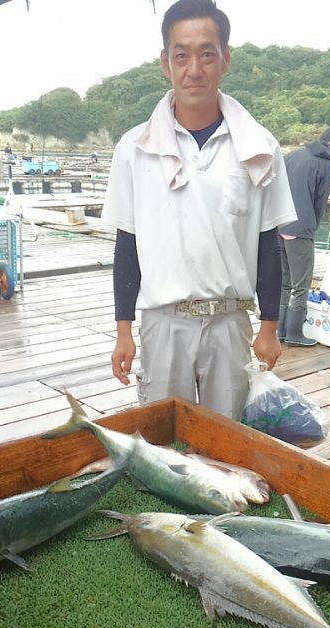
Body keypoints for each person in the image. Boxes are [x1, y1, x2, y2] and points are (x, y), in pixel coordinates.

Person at [101, 0, 296, 420]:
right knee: (162, 439)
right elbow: (127, 246)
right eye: (182, 55)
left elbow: (269, 243)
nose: (195, 69)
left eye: (207, 53)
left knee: (228, 441)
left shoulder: (259, 147)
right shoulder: (134, 148)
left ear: (225, 58)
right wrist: (122, 332)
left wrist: (270, 328)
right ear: (165, 63)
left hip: (230, 322)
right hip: (162, 321)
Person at [277, 126, 330, 346]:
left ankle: (280, 331)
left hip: (279, 225)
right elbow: (321, 201)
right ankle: (295, 334)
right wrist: (312, 226)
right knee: (302, 284)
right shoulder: (326, 164)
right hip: (301, 228)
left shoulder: (292, 155)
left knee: (284, 282)